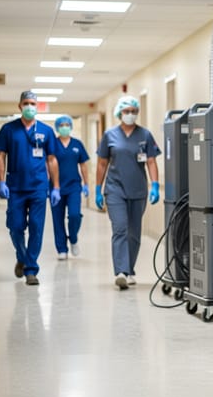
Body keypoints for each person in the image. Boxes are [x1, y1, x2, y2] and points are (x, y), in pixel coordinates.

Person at [0, 90, 61, 286]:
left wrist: (55, 187)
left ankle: (31, 270)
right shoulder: (9, 129)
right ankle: (22, 256)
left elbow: (52, 159)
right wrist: (1, 182)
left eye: (33, 103)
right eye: (26, 103)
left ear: (36, 106)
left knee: (37, 228)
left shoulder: (46, 131)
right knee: (15, 226)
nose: (30, 106)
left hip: (39, 187)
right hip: (15, 187)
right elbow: (0, 156)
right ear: (20, 106)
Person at [95, 95, 161, 290]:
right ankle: (121, 272)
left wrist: (155, 185)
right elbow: (102, 163)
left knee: (134, 233)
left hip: (138, 190)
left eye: (133, 111)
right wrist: (98, 189)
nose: (130, 114)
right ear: (119, 113)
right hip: (115, 190)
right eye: (126, 111)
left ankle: (130, 269)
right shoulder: (110, 135)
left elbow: (151, 161)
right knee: (121, 228)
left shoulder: (145, 135)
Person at [50, 115, 90, 260]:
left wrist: (86, 184)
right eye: (62, 125)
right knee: (57, 219)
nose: (65, 127)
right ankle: (62, 249)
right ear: (57, 127)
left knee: (74, 215)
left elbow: (83, 165)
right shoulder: (52, 144)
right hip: (56, 187)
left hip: (74, 186)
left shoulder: (77, 144)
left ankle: (73, 238)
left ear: (71, 127)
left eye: (67, 124)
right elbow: (47, 163)